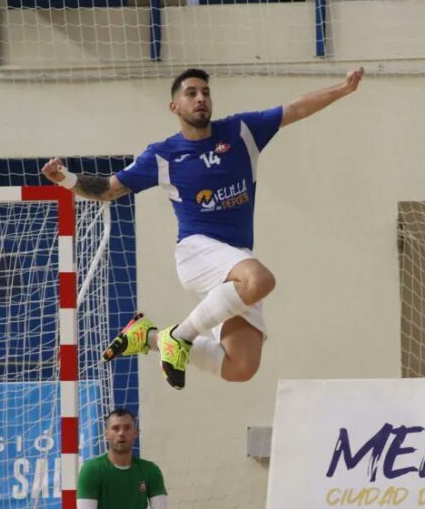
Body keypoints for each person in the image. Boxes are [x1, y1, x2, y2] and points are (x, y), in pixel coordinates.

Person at [42, 67, 364, 390]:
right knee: (261, 280)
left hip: (235, 258)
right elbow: (108, 189)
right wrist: (66, 180)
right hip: (197, 251)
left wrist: (343, 89)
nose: (201, 99)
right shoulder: (163, 155)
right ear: (174, 107)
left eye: (206, 93)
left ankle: (150, 337)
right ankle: (180, 336)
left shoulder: (241, 132)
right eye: (191, 93)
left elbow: (294, 108)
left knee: (241, 366)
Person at [77, 408, 167, 509]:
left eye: (127, 428)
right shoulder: (91, 471)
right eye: (115, 428)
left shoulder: (151, 470)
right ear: (106, 434)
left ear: (136, 433)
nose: (121, 433)